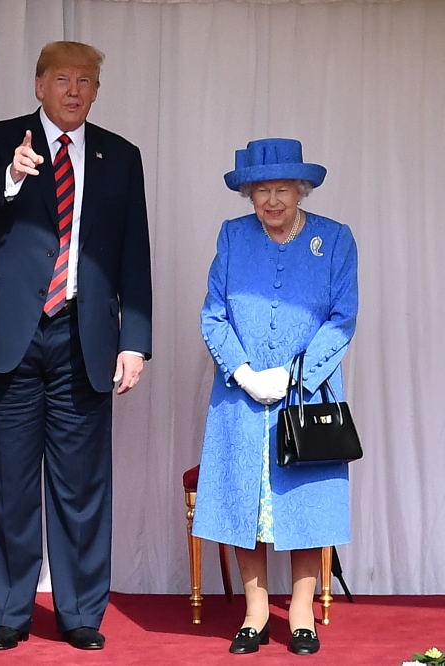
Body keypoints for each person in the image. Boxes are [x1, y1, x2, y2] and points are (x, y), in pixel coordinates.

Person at [0, 41, 152, 651]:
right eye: (62, 79)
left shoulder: (120, 156)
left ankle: (81, 614)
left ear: (96, 91)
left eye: (85, 81)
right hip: (9, 333)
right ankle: (9, 613)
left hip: (83, 335)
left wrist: (135, 341)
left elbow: (133, 251)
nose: (74, 90)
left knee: (82, 483)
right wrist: (11, 175)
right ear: (38, 86)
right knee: (9, 480)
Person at [192, 138, 358, 656]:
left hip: (307, 398)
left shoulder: (335, 240)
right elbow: (213, 314)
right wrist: (244, 373)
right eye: (261, 190)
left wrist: (294, 377)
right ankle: (256, 612)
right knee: (248, 503)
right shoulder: (233, 237)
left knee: (305, 503)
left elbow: (342, 318)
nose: (272, 201)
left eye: (282, 189)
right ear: (248, 194)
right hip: (241, 398)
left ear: (301, 190)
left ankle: (302, 613)